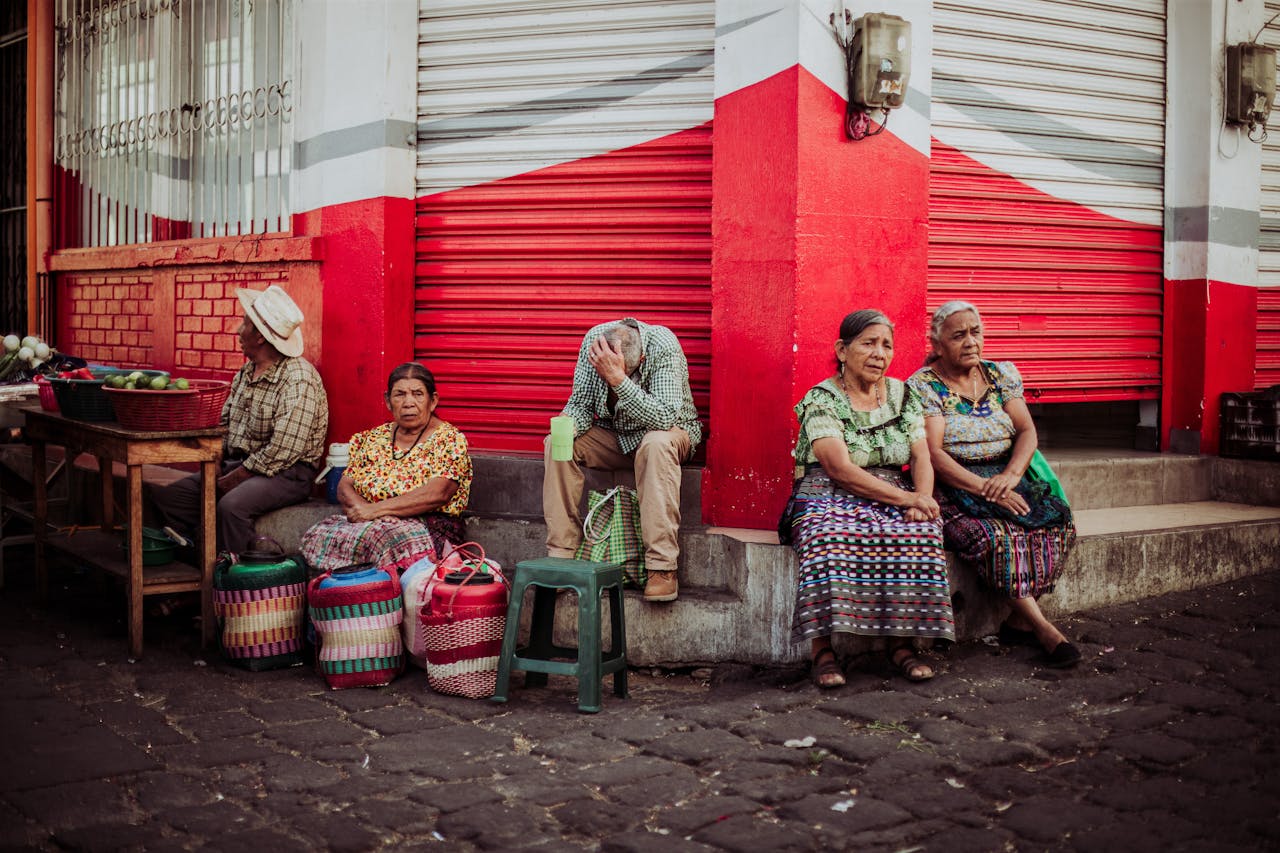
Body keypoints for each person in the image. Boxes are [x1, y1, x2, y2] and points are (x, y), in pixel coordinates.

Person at [783, 309, 955, 688]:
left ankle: (901, 644)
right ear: (842, 350)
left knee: (922, 532)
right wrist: (904, 499)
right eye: (869, 343)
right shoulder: (822, 398)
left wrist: (922, 499)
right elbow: (839, 468)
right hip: (826, 490)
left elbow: (921, 455)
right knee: (826, 535)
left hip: (893, 489)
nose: (880, 353)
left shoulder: (902, 394)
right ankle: (822, 650)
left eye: (887, 345)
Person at [907, 301, 1080, 668]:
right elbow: (933, 453)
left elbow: (1027, 430)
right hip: (955, 484)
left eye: (976, 332)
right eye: (958, 335)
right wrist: (983, 489)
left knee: (1058, 523)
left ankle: (1018, 621)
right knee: (996, 537)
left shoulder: (1001, 375)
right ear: (937, 344)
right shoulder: (924, 385)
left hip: (1006, 475)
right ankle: (1043, 628)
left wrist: (1010, 478)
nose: (971, 341)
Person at [153, 285, 328, 555]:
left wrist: (235, 478)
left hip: (286, 474)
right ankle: (195, 565)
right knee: (170, 498)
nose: (238, 329)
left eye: (245, 323)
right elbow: (225, 425)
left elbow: (284, 451)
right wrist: (216, 459)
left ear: (259, 336)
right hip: (240, 465)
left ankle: (233, 582)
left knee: (231, 507)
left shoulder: (298, 378)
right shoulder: (247, 372)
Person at [544, 317, 702, 603]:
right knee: (557, 441)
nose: (608, 378)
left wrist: (617, 379)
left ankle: (661, 567)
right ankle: (561, 556)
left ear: (640, 359)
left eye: (620, 372)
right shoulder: (595, 342)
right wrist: (569, 422)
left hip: (667, 435)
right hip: (615, 436)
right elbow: (580, 404)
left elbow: (665, 417)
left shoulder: (662, 345)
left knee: (655, 443)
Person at [300, 362, 471, 574]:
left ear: (432, 400)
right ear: (388, 401)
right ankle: (345, 596)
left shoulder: (449, 439)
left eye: (418, 394)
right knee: (320, 533)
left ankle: (380, 598)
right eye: (399, 394)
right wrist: (367, 512)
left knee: (381, 538)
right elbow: (345, 485)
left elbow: (439, 492)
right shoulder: (371, 438)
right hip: (374, 521)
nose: (408, 403)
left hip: (428, 525)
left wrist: (375, 510)